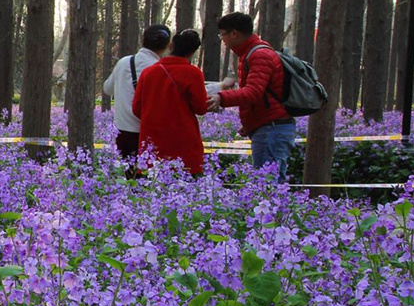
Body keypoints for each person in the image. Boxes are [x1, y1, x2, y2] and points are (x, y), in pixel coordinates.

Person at [207, 12, 296, 182]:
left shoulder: (259, 55)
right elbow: (262, 95)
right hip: (267, 126)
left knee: (267, 186)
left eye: (222, 34)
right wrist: (250, 122)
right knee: (267, 184)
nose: (222, 40)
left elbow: (254, 92)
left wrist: (221, 97)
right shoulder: (249, 54)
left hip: (272, 128)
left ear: (234, 33)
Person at [132, 29, 208, 175]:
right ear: (192, 52)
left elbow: (136, 108)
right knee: (185, 183)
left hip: (152, 140)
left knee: (151, 186)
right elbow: (201, 108)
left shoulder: (148, 73)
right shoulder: (194, 73)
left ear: (171, 45)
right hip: (184, 141)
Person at [103, 25, 172, 171]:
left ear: (143, 40)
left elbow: (107, 89)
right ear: (167, 46)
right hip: (148, 134)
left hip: (122, 133)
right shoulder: (161, 69)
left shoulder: (123, 62)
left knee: (129, 177)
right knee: (148, 180)